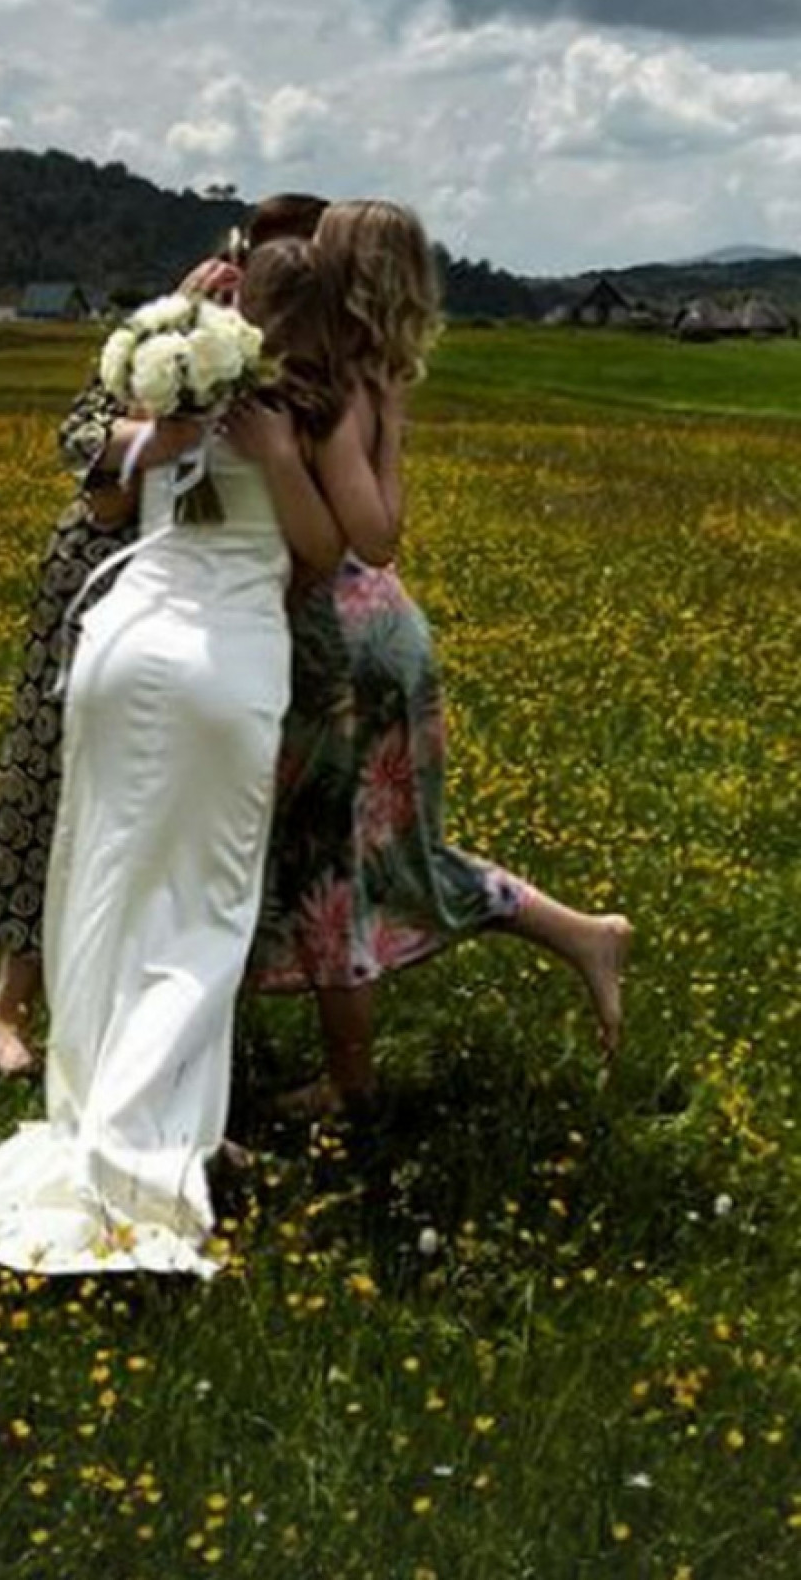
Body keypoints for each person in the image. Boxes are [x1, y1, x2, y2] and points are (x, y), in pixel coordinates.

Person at [0, 242, 354, 1276]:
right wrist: (279, 462)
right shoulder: (301, 406)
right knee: (200, 910)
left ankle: (97, 1104)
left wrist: (160, 421)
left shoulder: (166, 379)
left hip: (117, 639)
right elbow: (327, 551)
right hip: (222, 663)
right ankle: (156, 1137)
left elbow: (105, 501)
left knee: (102, 886)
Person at [244, 201, 632, 1115]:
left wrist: (339, 447)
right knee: (380, 849)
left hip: (341, 648)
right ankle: (583, 935)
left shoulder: (339, 383)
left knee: (332, 862)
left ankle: (351, 1086)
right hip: (376, 634)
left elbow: (374, 535)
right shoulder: (374, 375)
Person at [0, 193, 329, 1076]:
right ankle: (9, 998)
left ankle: (152, 1013)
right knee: (56, 774)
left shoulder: (313, 355)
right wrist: (162, 436)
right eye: (261, 255)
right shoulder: (177, 329)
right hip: (109, 566)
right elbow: (81, 436)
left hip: (224, 600)